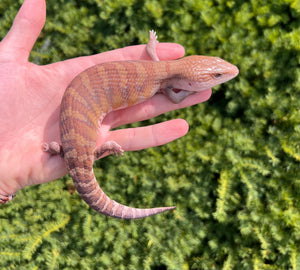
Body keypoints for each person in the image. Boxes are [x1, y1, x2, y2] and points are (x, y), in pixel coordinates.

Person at [0, 0, 211, 202]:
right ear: (189, 82)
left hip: (80, 106)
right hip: (79, 113)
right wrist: (184, 93)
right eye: (215, 76)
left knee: (83, 150)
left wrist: (152, 45)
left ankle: (79, 149)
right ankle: (74, 149)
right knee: (83, 150)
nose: (218, 78)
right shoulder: (164, 78)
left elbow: (151, 54)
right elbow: (174, 97)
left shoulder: (161, 69)